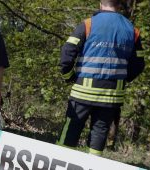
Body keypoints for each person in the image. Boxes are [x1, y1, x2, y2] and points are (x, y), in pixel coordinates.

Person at [58, 0, 145, 156]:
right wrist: (122, 80)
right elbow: (138, 65)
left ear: (100, 3)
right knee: (100, 133)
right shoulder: (133, 31)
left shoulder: (88, 24)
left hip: (83, 92)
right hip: (111, 96)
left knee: (72, 129)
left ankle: (60, 163)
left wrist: (69, 76)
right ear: (119, 5)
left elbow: (67, 53)